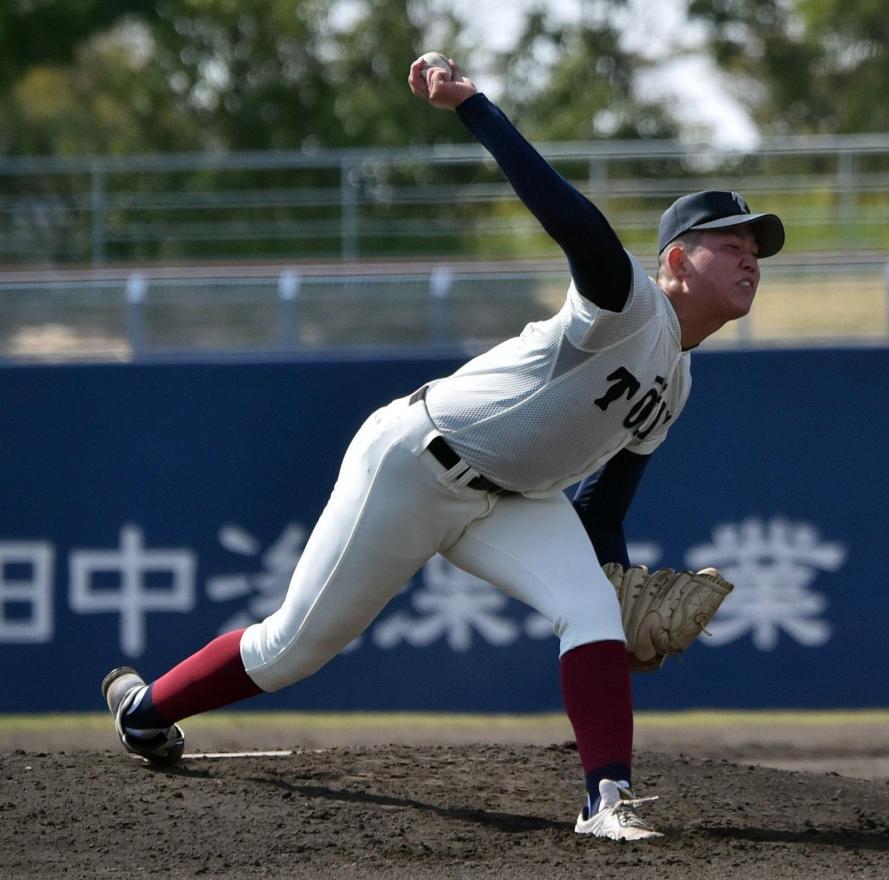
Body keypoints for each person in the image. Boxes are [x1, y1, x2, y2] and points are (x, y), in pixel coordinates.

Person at [101, 55, 784, 842]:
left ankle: (606, 801)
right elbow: (571, 218)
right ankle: (144, 711)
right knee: (293, 648)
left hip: (512, 499)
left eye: (754, 250)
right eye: (726, 243)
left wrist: (617, 601)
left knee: (588, 607)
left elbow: (604, 510)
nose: (747, 258)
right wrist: (473, 106)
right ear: (672, 262)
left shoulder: (679, 384)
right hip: (417, 461)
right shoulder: (628, 303)